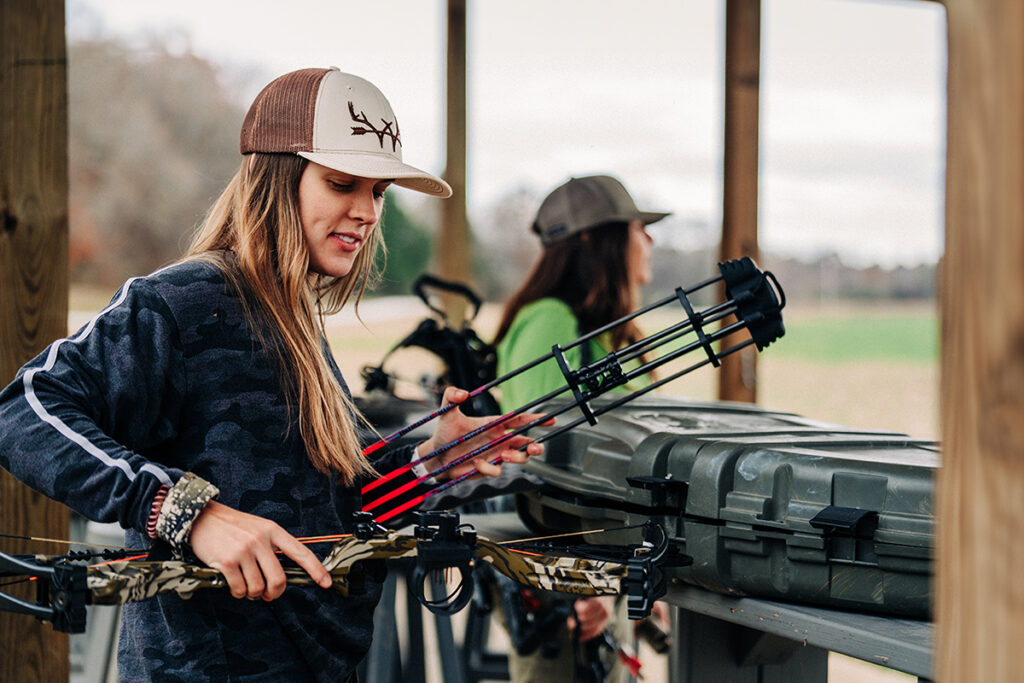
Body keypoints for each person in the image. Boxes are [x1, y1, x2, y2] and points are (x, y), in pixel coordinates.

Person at [0, 67, 546, 682]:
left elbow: (333, 509)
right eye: (343, 184)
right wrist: (183, 512)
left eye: (379, 192)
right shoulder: (180, 301)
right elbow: (23, 409)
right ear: (277, 179)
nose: (366, 212)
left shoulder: (295, 319)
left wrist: (429, 465)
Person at [491, 174, 670, 682]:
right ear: (598, 240)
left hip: (602, 567)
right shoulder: (550, 321)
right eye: (639, 228)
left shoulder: (608, 333)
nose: (650, 240)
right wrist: (580, 584)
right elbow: (543, 465)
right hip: (564, 580)